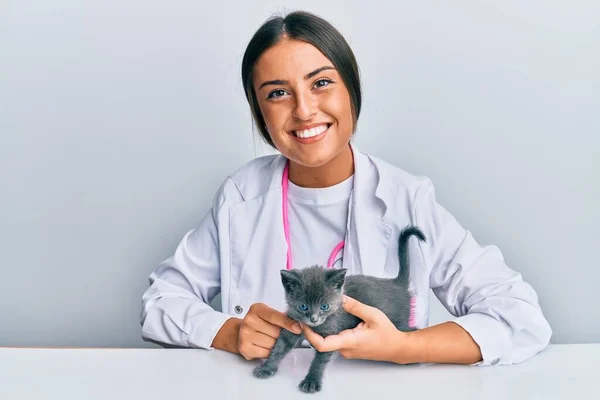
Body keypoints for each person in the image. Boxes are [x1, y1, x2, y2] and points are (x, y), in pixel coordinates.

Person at [140, 10, 552, 366]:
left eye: (321, 83)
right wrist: (228, 332)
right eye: (278, 93)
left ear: (351, 89)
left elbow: (520, 318)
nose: (304, 110)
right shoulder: (241, 196)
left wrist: (405, 347)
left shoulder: (407, 198)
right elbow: (161, 301)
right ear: (259, 112)